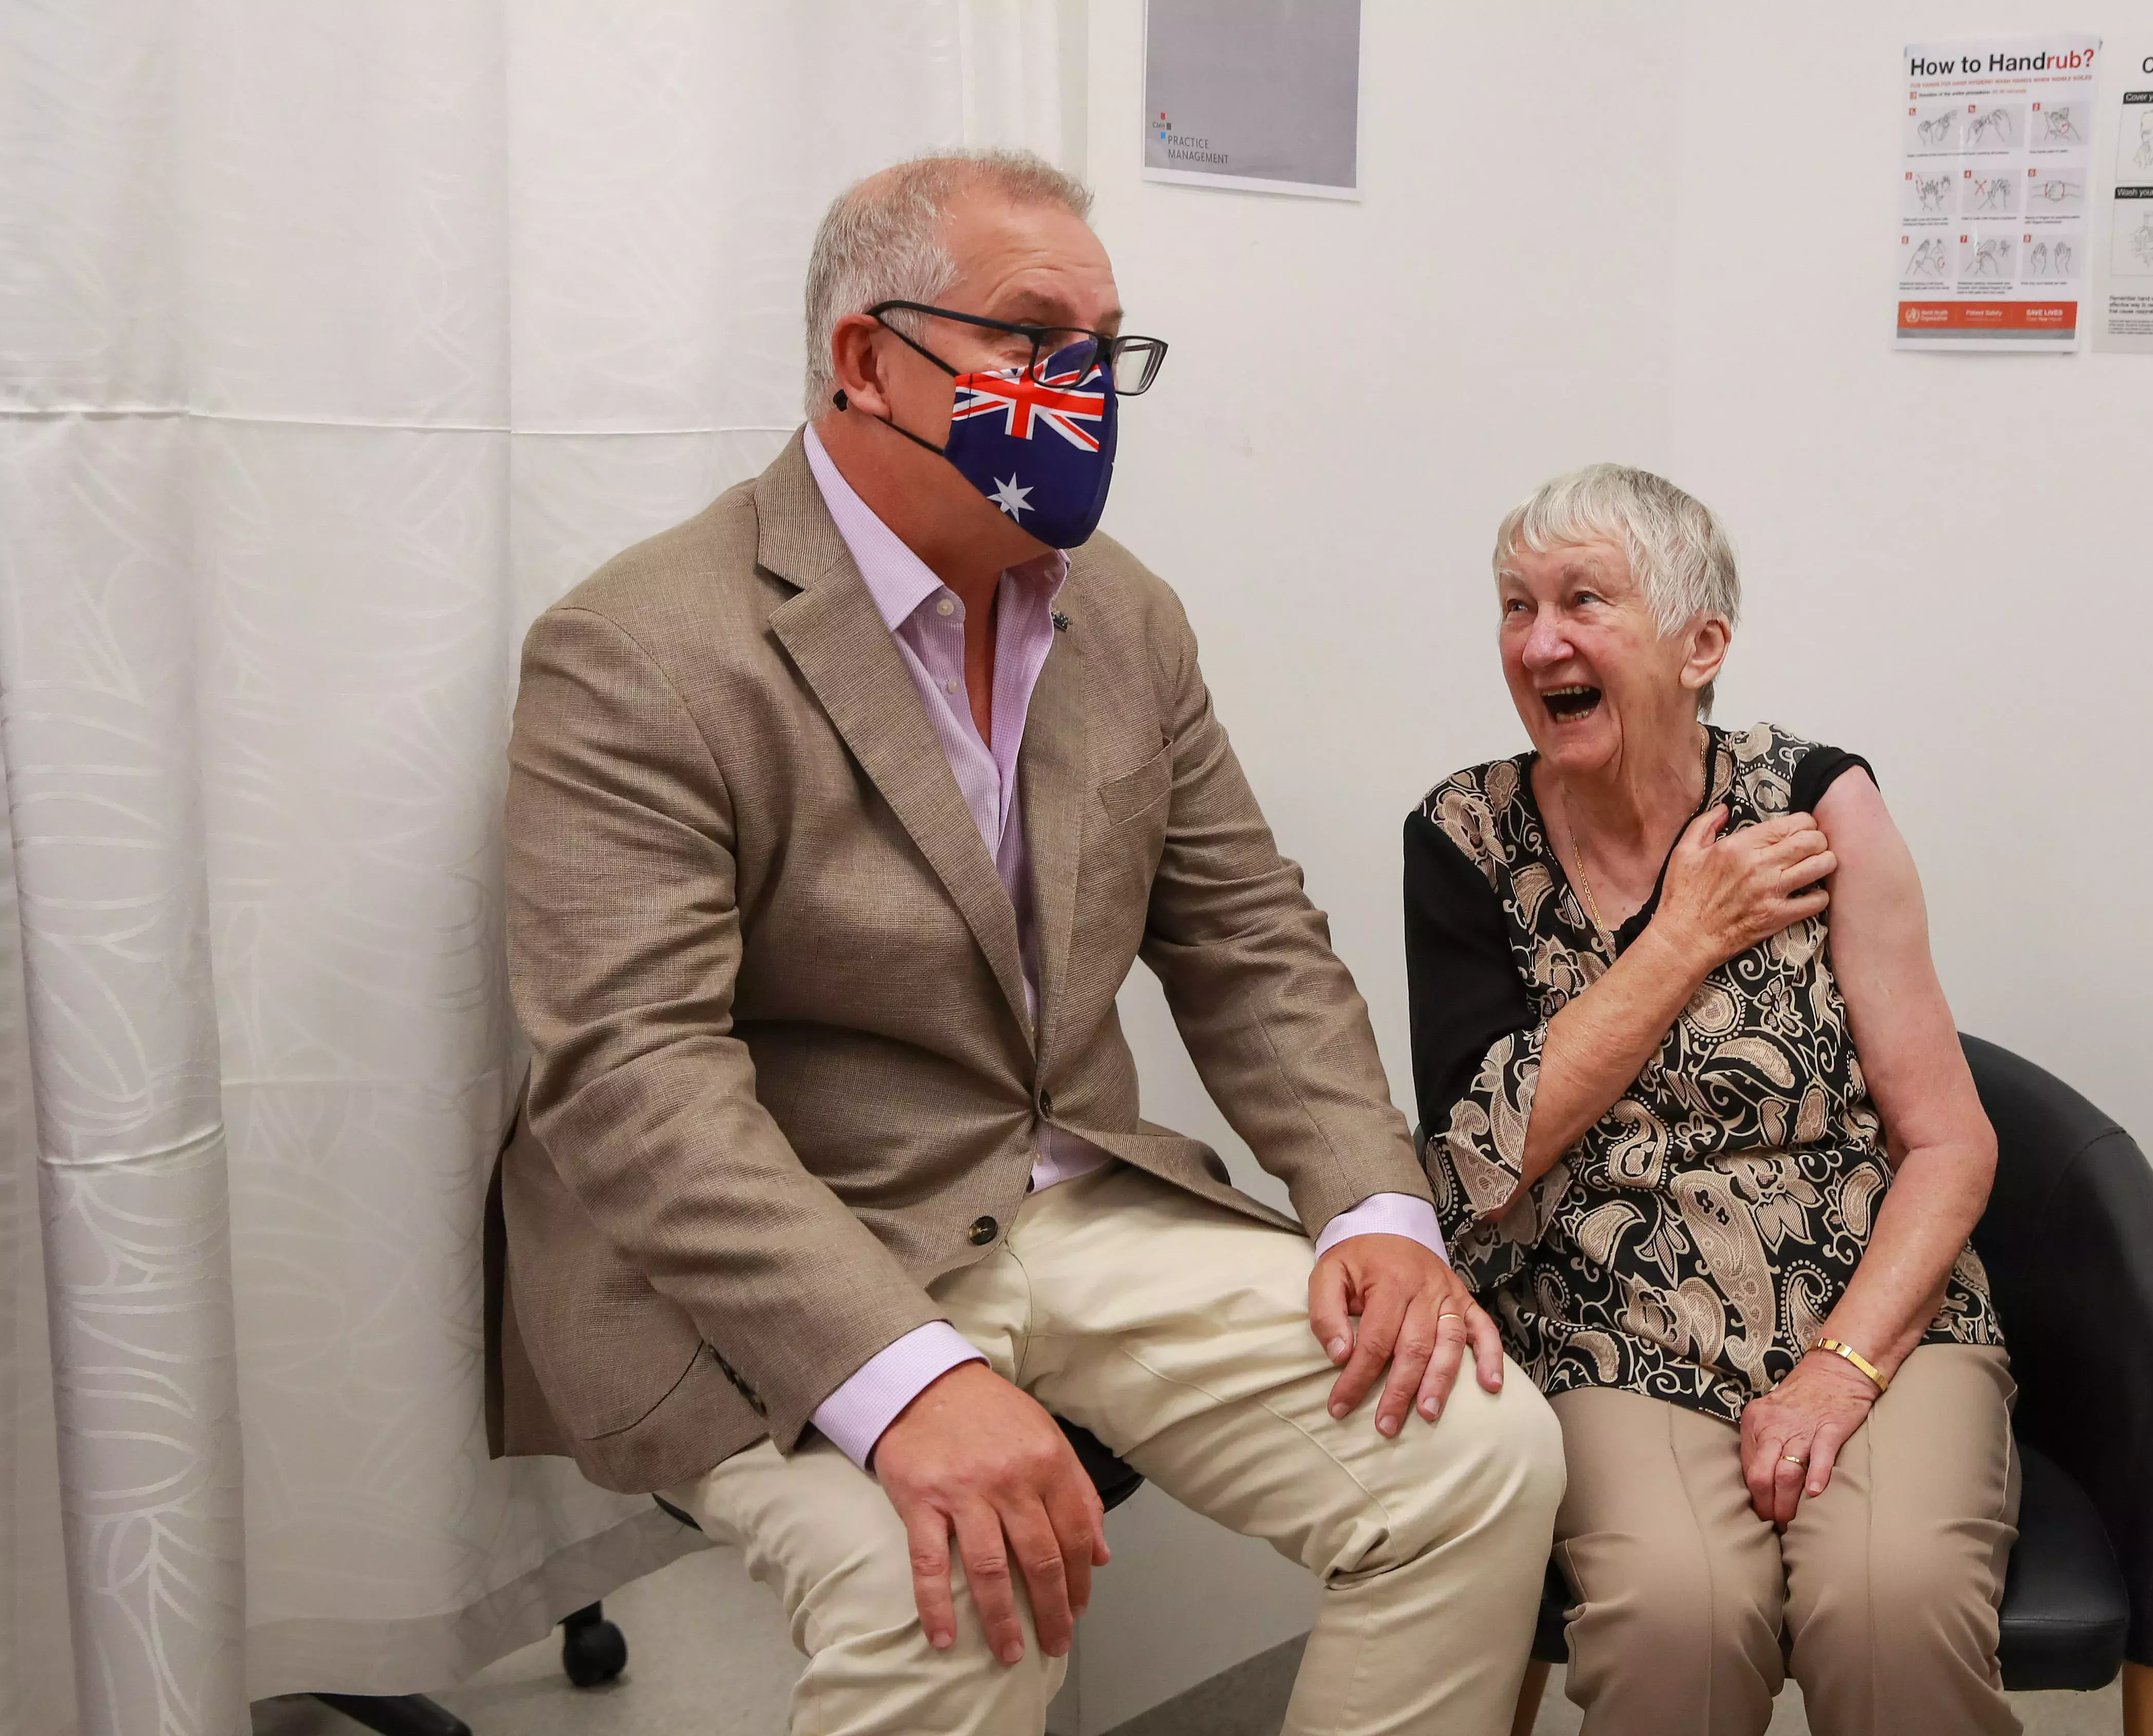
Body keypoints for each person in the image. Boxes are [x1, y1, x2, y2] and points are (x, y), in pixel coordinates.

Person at [484, 150, 1563, 1736]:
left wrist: (1375, 1203)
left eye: (1107, 347)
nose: (1085, 389)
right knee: (956, 1600)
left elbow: (1248, 935)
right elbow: (635, 1083)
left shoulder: (1123, 616)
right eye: (1031, 339)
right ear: (867, 360)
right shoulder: (644, 647)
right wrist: (905, 1376)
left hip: (1064, 1192)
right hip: (797, 1231)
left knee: (1479, 1451)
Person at [1404, 464, 2016, 1736]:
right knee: (1678, 1618)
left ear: (1702, 644)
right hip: (1607, 1316)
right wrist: (1685, 934)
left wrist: (1840, 1371)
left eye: (1583, 600)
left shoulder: (1818, 800)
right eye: (1516, 607)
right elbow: (1479, 1157)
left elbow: (1951, 1139)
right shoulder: (1465, 834)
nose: (1540, 641)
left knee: (1889, 1602)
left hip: (1875, 1306)